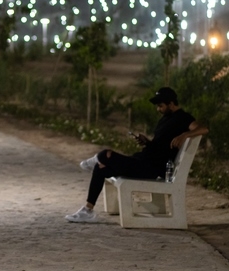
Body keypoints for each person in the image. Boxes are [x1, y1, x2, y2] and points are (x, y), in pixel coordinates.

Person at [65, 87, 208, 222]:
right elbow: (160, 147)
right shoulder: (166, 118)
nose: (158, 109)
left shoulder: (183, 117)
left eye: (160, 106)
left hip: (150, 168)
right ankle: (88, 211)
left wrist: (185, 135)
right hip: (142, 160)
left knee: (105, 154)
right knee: (100, 167)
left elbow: (203, 129)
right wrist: (147, 142)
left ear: (171, 104)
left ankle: (92, 162)